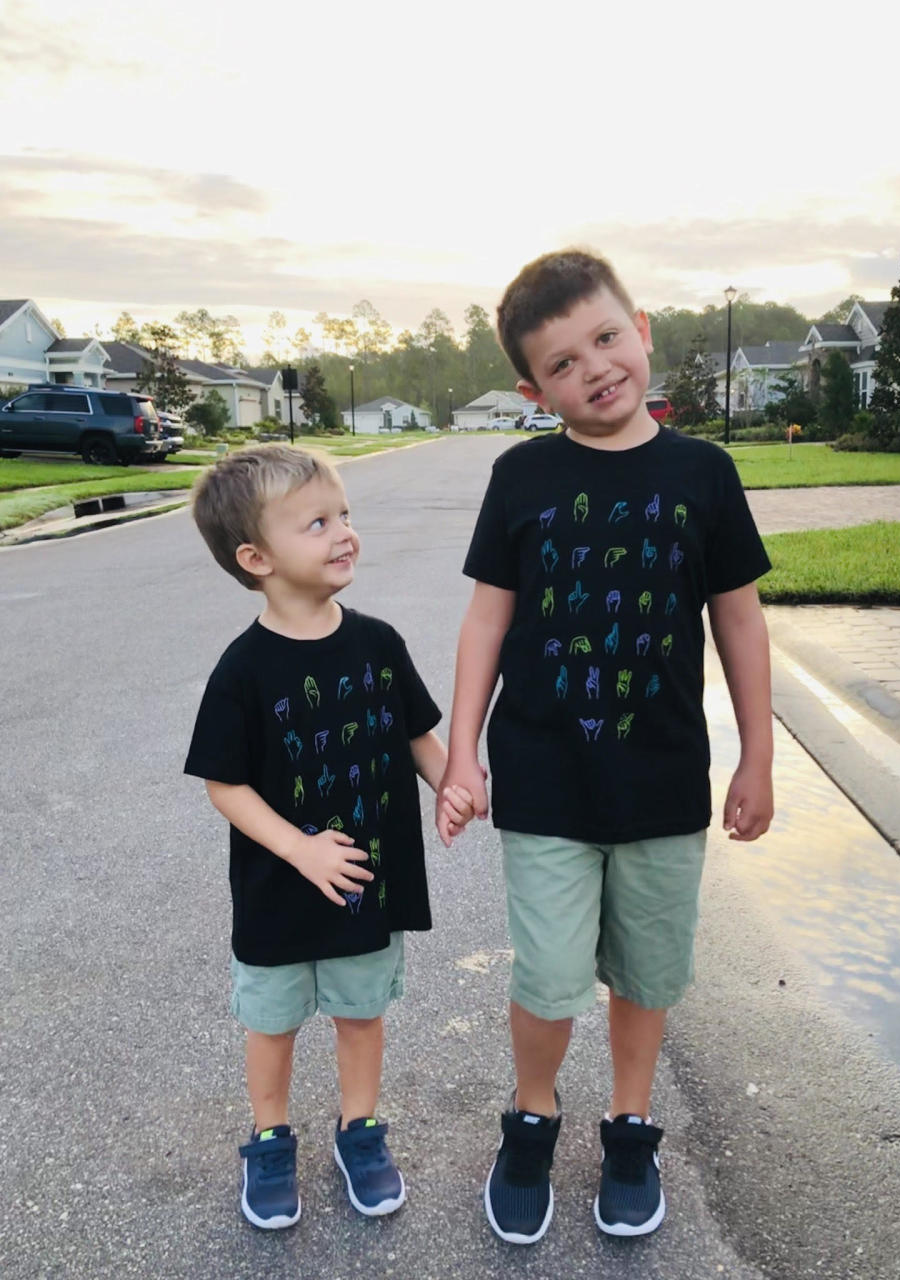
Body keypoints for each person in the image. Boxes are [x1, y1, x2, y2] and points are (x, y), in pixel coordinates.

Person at [437, 249, 774, 1244]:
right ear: (531, 387)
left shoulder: (704, 473)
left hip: (665, 779)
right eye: (563, 361)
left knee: (646, 971)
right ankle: (532, 1117)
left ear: (642, 330)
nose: (594, 366)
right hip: (545, 779)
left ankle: (631, 1125)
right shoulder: (522, 475)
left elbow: (741, 623)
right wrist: (463, 755)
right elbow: (485, 624)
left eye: (605, 337)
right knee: (545, 975)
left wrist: (757, 754)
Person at [184, 445, 472, 1230]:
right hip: (280, 886)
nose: (344, 533)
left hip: (363, 882)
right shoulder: (242, 670)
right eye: (317, 522)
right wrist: (298, 848)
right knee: (271, 1020)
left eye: (345, 515)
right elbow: (224, 784)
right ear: (257, 558)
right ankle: (271, 1137)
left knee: (360, 1011)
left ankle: (360, 1130)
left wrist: (453, 782)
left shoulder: (378, 644)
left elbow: (416, 733)